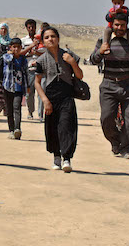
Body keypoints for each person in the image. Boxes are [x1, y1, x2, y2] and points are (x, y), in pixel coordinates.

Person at [90, 15, 129, 158]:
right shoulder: (103, 41)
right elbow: (93, 60)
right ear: (112, 25)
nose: (119, 28)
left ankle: (126, 147)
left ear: (126, 26)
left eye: (122, 25)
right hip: (109, 84)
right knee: (106, 118)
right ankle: (115, 141)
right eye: (117, 25)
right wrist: (100, 51)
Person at [35, 27, 83, 173]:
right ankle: (56, 156)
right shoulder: (41, 60)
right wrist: (45, 100)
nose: (51, 39)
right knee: (52, 128)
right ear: (43, 41)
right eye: (47, 37)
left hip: (66, 96)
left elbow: (80, 76)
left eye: (53, 36)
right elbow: (37, 82)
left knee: (66, 126)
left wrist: (73, 63)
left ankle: (66, 157)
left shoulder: (68, 55)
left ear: (58, 38)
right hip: (50, 96)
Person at [2, 38, 29, 140]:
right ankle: (11, 130)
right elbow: (8, 59)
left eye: (18, 47)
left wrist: (27, 87)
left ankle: (17, 129)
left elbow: (26, 73)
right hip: (8, 87)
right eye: (14, 47)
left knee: (17, 108)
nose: (16, 49)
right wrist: (11, 53)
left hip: (19, 88)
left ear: (21, 47)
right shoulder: (6, 56)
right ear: (10, 47)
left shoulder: (23, 59)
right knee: (9, 110)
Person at [21, 19, 42, 120]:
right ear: (26, 28)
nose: (31, 29)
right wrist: (31, 50)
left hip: (41, 69)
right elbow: (21, 54)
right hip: (29, 69)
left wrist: (37, 52)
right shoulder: (24, 41)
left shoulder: (42, 40)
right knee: (29, 93)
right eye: (29, 27)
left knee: (41, 92)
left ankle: (41, 114)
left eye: (32, 27)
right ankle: (30, 111)